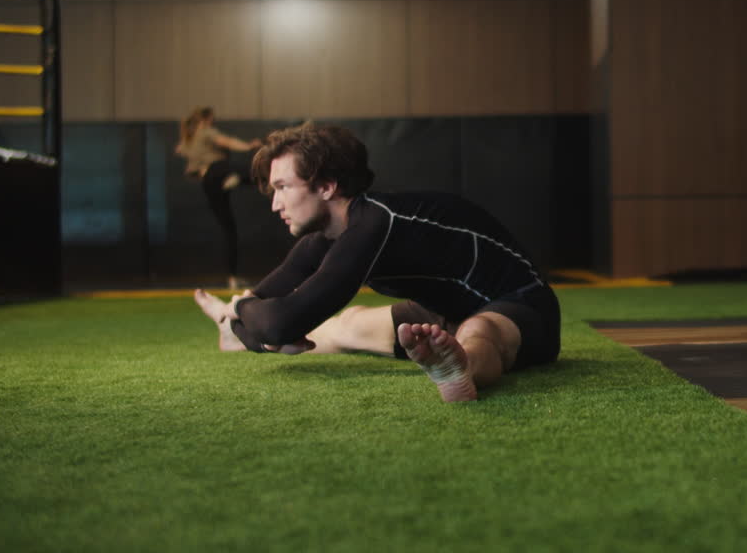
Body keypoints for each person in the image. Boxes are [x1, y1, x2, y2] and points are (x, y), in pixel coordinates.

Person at [190, 123, 561, 402]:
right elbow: (268, 308)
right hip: (441, 312)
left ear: (325, 187)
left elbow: (279, 322)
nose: (275, 204)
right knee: (346, 325)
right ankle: (229, 334)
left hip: (521, 305)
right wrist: (239, 320)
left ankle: (457, 368)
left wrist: (250, 314)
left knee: (478, 332)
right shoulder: (322, 239)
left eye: (283, 187)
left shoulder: (374, 223)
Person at [174, 106, 262, 290]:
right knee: (256, 172)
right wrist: (247, 145)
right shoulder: (206, 131)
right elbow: (226, 141)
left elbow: (181, 152)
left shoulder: (187, 140)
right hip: (219, 171)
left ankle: (232, 277)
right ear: (206, 119)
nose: (214, 122)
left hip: (208, 182)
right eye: (212, 119)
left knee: (228, 230)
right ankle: (237, 178)